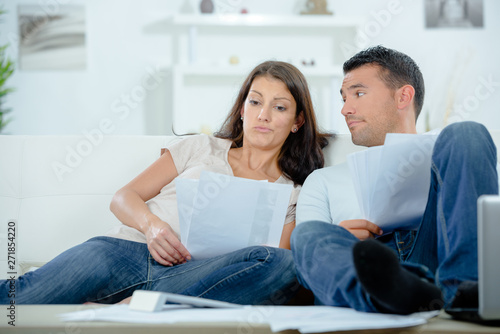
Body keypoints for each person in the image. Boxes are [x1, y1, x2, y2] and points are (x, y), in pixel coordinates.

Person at [0, 60, 330, 305]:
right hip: (126, 254)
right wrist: (152, 226)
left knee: (283, 265)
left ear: (297, 121)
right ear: (242, 109)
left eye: (280, 107)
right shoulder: (201, 147)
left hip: (196, 276)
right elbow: (123, 197)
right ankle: (148, 303)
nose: (263, 115)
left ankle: (144, 303)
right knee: (22, 295)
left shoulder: (294, 192)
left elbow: (271, 260)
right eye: (255, 101)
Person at [291, 46, 498, 315]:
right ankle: (387, 294)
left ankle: (468, 293)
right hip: (364, 268)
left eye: (359, 93)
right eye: (344, 98)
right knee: (307, 235)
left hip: (437, 258)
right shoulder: (322, 180)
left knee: (467, 132)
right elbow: (304, 267)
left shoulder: (455, 156)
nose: (345, 109)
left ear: (403, 96)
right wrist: (342, 238)